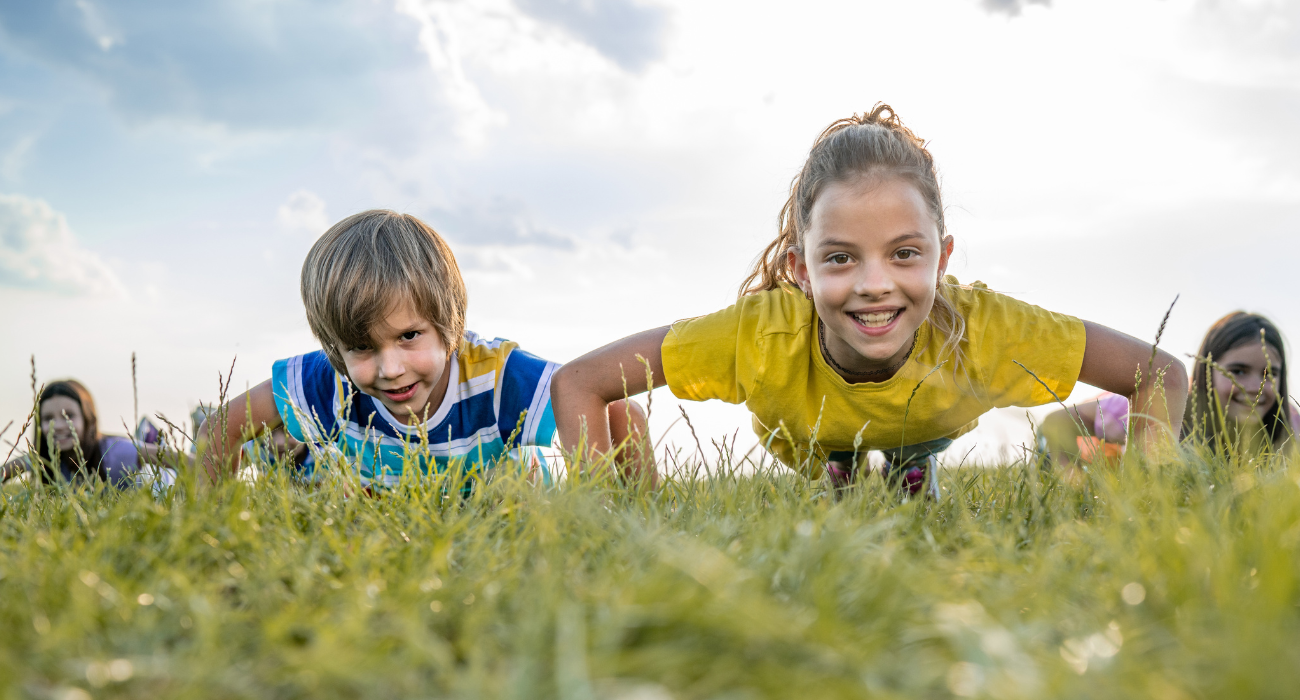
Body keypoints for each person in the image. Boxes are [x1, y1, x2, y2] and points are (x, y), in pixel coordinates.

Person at [551, 104, 1188, 495]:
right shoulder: (758, 335)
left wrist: (1148, 507)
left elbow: (1160, 372)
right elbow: (580, 381)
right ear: (800, 269)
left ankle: (910, 471)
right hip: (810, 438)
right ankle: (848, 475)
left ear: (943, 258)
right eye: (840, 257)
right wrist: (613, 510)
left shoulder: (990, 329)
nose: (874, 283)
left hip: (930, 427)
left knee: (909, 468)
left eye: (904, 253)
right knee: (843, 482)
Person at [198, 210, 651, 488]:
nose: (390, 368)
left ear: (448, 326)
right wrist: (214, 526)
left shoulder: (496, 379)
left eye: (409, 337)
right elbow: (219, 431)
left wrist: (629, 517)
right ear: (334, 346)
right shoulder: (326, 382)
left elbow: (621, 415)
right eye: (360, 346)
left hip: (509, 522)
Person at [1040, 312, 1297, 465]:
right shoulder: (1157, 408)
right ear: (1206, 373)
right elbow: (1056, 422)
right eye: (1238, 371)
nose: (1255, 387)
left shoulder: (1291, 427)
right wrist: (1070, 480)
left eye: (1269, 374)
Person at [1, 380, 160, 487]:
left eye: (68, 416)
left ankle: (149, 437)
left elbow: (181, 460)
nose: (58, 426)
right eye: (48, 418)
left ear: (87, 419)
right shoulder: (44, 458)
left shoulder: (115, 453)